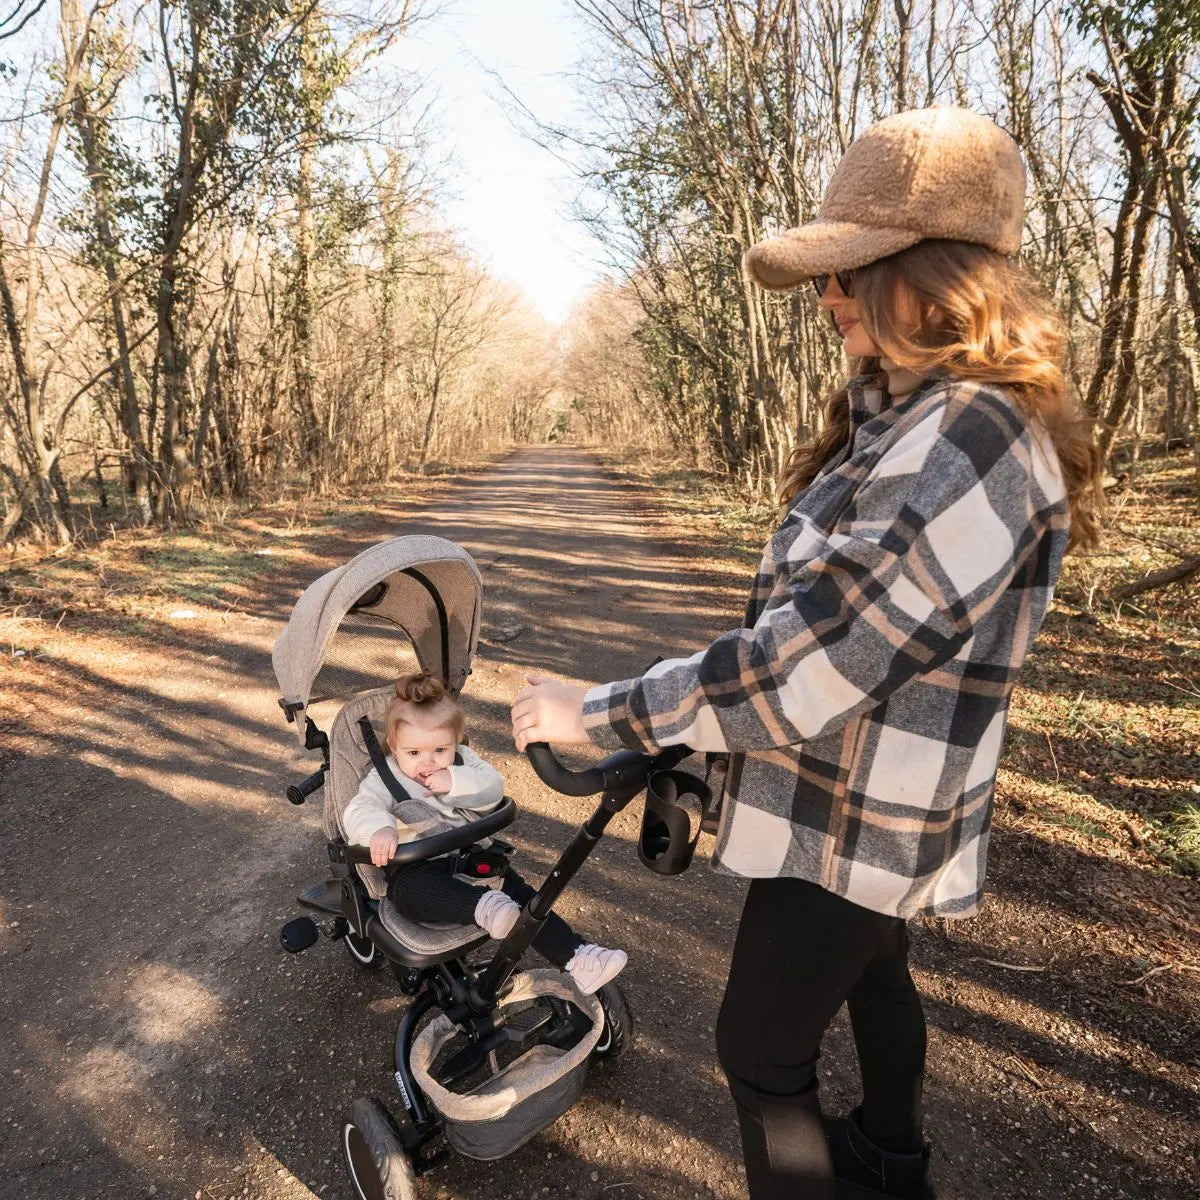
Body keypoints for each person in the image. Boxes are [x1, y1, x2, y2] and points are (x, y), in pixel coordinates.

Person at [510, 106, 1099, 1199]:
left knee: (757, 1051)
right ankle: (890, 1167)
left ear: (931, 274)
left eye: (849, 271)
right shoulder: (908, 415)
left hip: (859, 816)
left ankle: (878, 1169)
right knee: (877, 977)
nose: (827, 296)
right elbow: (811, 627)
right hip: (853, 803)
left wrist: (597, 714)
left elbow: (807, 665)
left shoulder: (971, 434)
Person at [344, 671, 628, 996]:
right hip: (420, 869)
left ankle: (579, 956)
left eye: (440, 749)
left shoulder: (464, 764)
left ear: (456, 740)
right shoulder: (385, 777)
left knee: (526, 899)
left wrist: (455, 782)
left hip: (471, 861)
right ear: (394, 747)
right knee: (409, 889)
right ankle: (486, 907)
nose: (428, 762)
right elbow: (360, 809)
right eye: (414, 753)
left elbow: (493, 789)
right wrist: (378, 829)